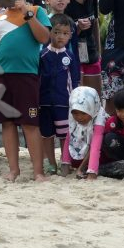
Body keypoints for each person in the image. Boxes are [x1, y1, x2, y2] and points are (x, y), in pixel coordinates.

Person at [0, 0, 52, 182]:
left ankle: (38, 171)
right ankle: (14, 170)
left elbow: (44, 38)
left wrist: (27, 12)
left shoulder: (36, 10)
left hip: (27, 74)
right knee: (7, 123)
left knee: (31, 123)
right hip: (1, 75)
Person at [39, 14, 79, 175]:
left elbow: (75, 81)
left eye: (65, 33)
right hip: (44, 103)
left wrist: (74, 102)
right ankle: (51, 163)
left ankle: (65, 162)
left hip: (64, 103)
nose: (60, 36)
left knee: (64, 135)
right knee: (46, 135)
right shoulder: (42, 54)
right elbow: (37, 78)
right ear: (50, 33)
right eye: (56, 32)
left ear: (70, 35)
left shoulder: (70, 56)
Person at [63, 0, 102, 96]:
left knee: (95, 98)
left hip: (91, 54)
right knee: (77, 101)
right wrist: (77, 27)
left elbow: (96, 23)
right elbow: (60, 34)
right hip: (71, 57)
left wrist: (99, 52)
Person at [61, 86, 107, 179]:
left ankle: (86, 168)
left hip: (100, 155)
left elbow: (95, 146)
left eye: (83, 113)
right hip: (81, 153)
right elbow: (69, 136)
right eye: (75, 113)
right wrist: (65, 164)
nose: (79, 117)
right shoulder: (73, 117)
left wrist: (92, 172)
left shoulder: (100, 117)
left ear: (92, 108)